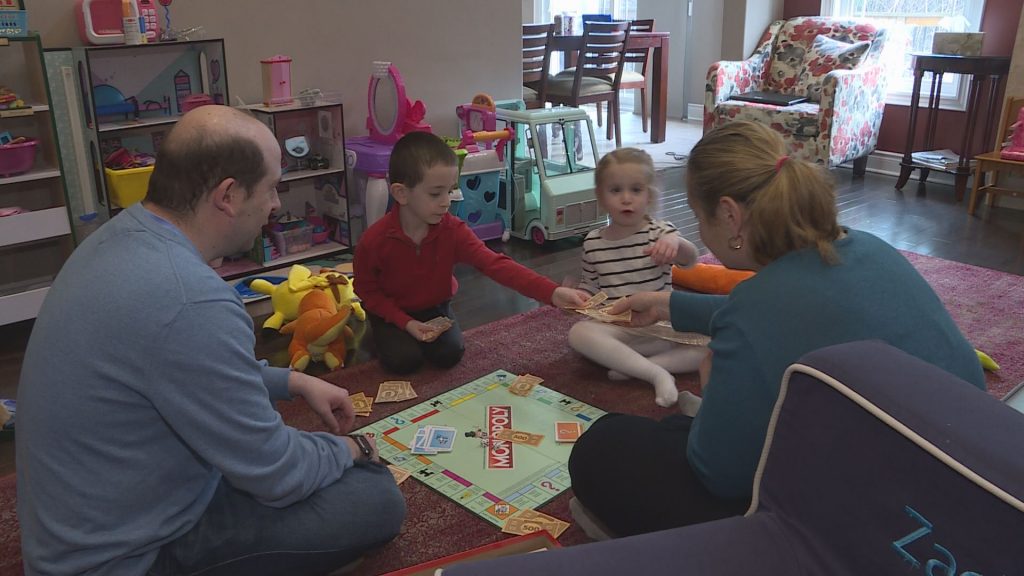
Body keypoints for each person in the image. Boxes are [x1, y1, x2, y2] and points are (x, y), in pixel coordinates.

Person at [16, 106, 405, 576]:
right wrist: (353, 450)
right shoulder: (191, 301)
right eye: (270, 189)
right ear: (228, 195)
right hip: (125, 557)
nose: (276, 205)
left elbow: (180, 368)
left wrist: (289, 383)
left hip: (78, 526)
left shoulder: (117, 236)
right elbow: (278, 473)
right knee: (375, 495)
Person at [567, 120, 986, 541]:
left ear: (730, 216)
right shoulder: (870, 247)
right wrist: (671, 305)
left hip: (889, 522)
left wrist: (713, 393)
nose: (698, 230)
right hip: (972, 474)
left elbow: (720, 474)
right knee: (677, 431)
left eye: (698, 216)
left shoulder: (759, 307)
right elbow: (791, 314)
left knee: (605, 447)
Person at [354, 131, 588, 374]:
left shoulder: (452, 230)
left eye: (450, 190)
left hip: (435, 308)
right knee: (404, 361)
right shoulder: (374, 240)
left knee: (449, 355)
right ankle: (379, 333)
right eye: (436, 193)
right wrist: (404, 322)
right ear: (401, 193)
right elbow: (366, 291)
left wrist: (552, 292)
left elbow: (496, 264)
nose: (446, 201)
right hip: (391, 310)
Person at [567, 148, 706, 408]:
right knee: (579, 333)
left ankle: (637, 366)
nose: (626, 199)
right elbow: (591, 287)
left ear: (649, 194)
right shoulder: (593, 243)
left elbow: (691, 259)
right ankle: (655, 373)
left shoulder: (661, 233)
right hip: (619, 327)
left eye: (636, 190)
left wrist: (675, 242)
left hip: (663, 330)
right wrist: (578, 296)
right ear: (600, 196)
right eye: (616, 190)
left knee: (714, 344)